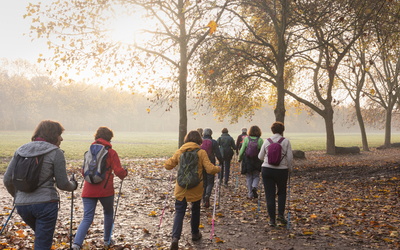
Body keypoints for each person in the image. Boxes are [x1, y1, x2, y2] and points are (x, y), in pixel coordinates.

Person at [3, 120, 78, 250]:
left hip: (22, 206)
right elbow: (62, 184)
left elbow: (7, 180)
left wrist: (17, 196)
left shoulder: (20, 150)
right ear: (53, 135)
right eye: (59, 134)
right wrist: (74, 185)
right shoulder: (56, 152)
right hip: (46, 205)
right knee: (42, 244)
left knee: (41, 238)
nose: (61, 138)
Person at [72, 127, 128, 250]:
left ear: (96, 137)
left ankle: (76, 244)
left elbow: (83, 171)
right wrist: (125, 173)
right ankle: (107, 241)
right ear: (109, 138)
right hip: (105, 190)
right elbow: (119, 171)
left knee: (87, 218)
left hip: (88, 189)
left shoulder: (90, 150)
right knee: (108, 213)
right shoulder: (111, 152)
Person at [165, 130, 221, 250]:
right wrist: (218, 169)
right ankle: (195, 233)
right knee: (195, 210)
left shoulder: (180, 151)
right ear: (199, 140)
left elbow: (168, 166)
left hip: (181, 188)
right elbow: (210, 169)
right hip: (196, 187)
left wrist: (172, 161)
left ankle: (175, 238)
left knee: (179, 212)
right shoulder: (201, 153)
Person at [258, 122, 293, 227]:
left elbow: (260, 156)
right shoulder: (286, 141)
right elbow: (290, 157)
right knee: (282, 192)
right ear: (282, 130)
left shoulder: (267, 141)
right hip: (281, 170)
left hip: (267, 169)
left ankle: (272, 219)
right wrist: (289, 169)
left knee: (270, 195)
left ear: (272, 130)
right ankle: (280, 215)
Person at [238, 125, 263, 199]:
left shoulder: (246, 139)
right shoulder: (260, 140)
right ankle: (254, 186)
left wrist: (240, 158)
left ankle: (250, 194)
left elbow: (242, 150)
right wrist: (263, 161)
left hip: (247, 160)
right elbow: (262, 151)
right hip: (257, 160)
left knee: (248, 177)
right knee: (256, 175)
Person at [202, 128, 224, 208]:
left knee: (203, 181)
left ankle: (204, 200)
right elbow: (218, 154)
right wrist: (221, 162)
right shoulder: (213, 142)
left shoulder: (199, 141)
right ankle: (207, 194)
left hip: (201, 164)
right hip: (211, 163)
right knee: (210, 182)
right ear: (211, 134)